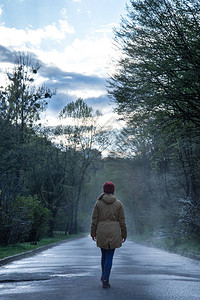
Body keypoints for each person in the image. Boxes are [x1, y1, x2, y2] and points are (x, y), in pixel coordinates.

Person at [91, 181, 127, 288]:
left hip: (102, 231)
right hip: (114, 232)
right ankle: (105, 278)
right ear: (113, 190)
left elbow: (94, 220)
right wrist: (124, 234)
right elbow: (122, 221)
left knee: (104, 254)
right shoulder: (118, 204)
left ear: (104, 190)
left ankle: (104, 276)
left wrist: (93, 233)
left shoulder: (98, 203)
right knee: (110, 255)